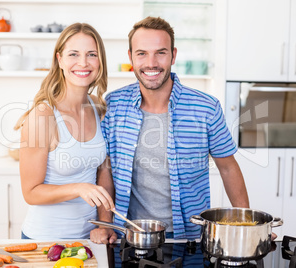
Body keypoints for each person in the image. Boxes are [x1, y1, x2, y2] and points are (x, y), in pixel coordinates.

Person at [90, 16, 249, 243]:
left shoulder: (206, 107)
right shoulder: (114, 104)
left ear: (173, 55)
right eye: (142, 53)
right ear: (131, 57)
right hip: (129, 235)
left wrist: (246, 226)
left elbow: (228, 168)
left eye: (160, 53)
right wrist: (106, 224)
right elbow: (106, 169)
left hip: (190, 238)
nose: (151, 63)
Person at [14, 22, 115, 240]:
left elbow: (103, 171)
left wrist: (105, 225)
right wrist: (79, 188)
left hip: (89, 239)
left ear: (100, 62)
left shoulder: (98, 108)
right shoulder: (43, 116)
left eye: (91, 54)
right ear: (59, 60)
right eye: (73, 54)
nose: (83, 63)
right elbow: (30, 192)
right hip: (45, 240)